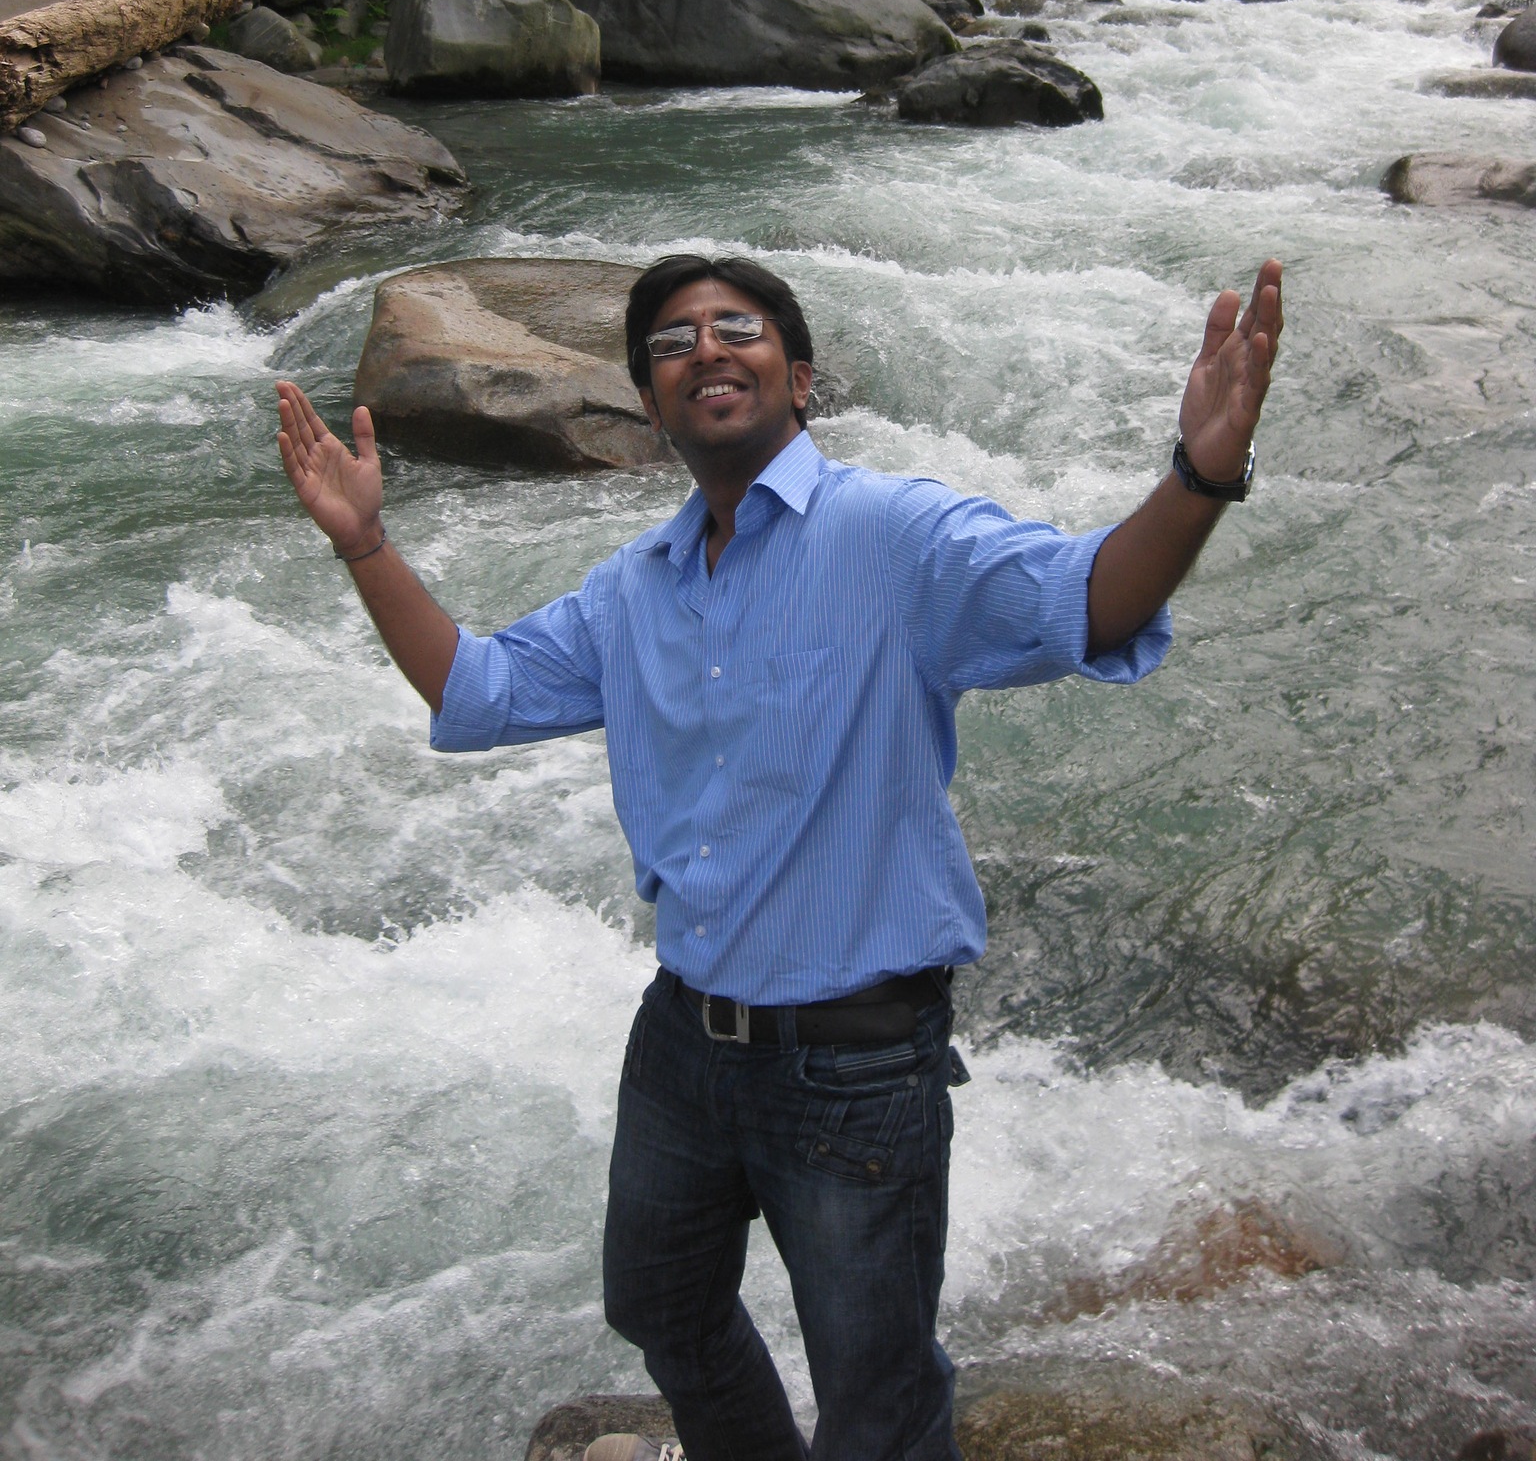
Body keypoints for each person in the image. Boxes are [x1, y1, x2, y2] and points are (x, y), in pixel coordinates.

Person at [275, 250, 1283, 1461]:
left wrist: (1199, 473)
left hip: (853, 1059)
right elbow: (476, 690)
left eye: (736, 327)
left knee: (876, 1393)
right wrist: (366, 542)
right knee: (660, 1304)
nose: (704, 348)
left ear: (798, 378)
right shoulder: (633, 588)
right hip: (684, 1037)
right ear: (648, 404)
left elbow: (1088, 600)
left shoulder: (893, 533)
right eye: (671, 341)